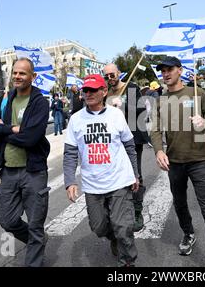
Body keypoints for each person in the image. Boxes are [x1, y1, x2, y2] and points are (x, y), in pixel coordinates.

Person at [150, 56, 205, 267]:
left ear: (180, 71)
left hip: (199, 160)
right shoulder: (160, 100)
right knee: (180, 203)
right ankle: (188, 233)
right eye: (162, 70)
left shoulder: (197, 93)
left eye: (170, 69)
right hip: (174, 162)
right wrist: (158, 151)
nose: (165, 73)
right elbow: (154, 129)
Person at [0, 58, 50, 267]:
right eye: (15, 73)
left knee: (35, 225)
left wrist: (1, 130)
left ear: (33, 76)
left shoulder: (39, 102)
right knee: (8, 222)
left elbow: (31, 138)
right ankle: (36, 241)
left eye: (23, 73)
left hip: (34, 172)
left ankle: (34, 255)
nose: (17, 77)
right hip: (8, 171)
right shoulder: (4, 99)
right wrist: (12, 129)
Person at [63, 74, 139, 267]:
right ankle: (114, 237)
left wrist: (135, 174)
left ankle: (127, 263)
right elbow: (70, 153)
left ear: (104, 91)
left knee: (124, 227)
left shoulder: (116, 115)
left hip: (119, 180)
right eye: (85, 90)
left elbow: (130, 146)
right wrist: (70, 181)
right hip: (93, 185)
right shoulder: (75, 120)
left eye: (93, 90)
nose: (88, 94)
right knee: (98, 228)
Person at [105, 64, 149, 232]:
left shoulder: (131, 87)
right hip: (113, 142)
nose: (110, 78)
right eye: (107, 76)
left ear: (118, 74)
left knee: (135, 173)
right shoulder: (106, 92)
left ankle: (137, 212)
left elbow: (140, 109)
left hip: (131, 138)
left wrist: (122, 107)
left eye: (112, 75)